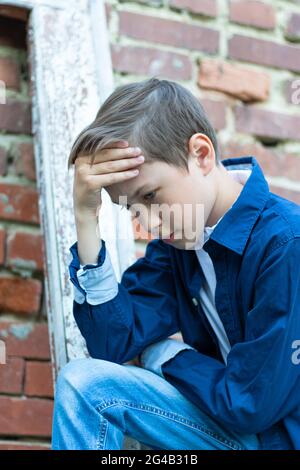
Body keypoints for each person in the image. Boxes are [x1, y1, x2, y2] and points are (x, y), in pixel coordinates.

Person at [51, 77, 300, 450]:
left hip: (276, 440)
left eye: (150, 196)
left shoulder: (285, 244)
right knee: (85, 386)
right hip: (227, 431)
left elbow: (250, 404)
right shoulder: (180, 242)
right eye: (132, 208)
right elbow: (113, 344)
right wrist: (86, 220)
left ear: (201, 154)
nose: (148, 222)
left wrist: (164, 354)